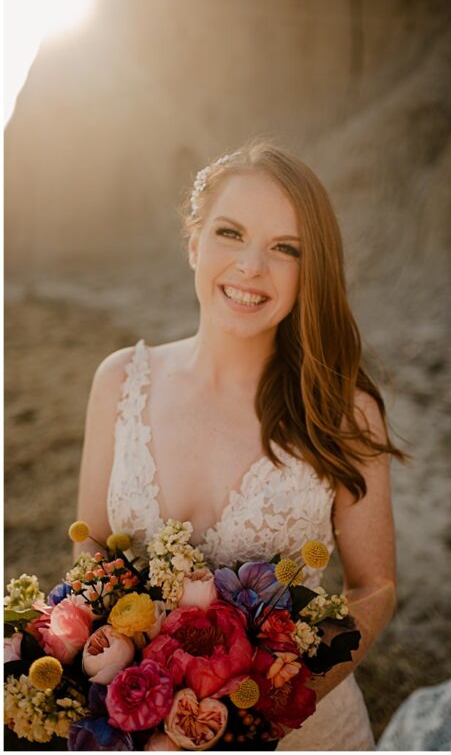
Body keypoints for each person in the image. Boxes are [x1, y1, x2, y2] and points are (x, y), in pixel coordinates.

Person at [74, 141, 403, 750]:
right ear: (194, 243)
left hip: (295, 733)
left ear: (311, 271)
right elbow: (91, 537)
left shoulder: (342, 410)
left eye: (285, 248)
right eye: (231, 233)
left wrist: (262, 716)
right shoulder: (119, 380)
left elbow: (373, 586)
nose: (252, 266)